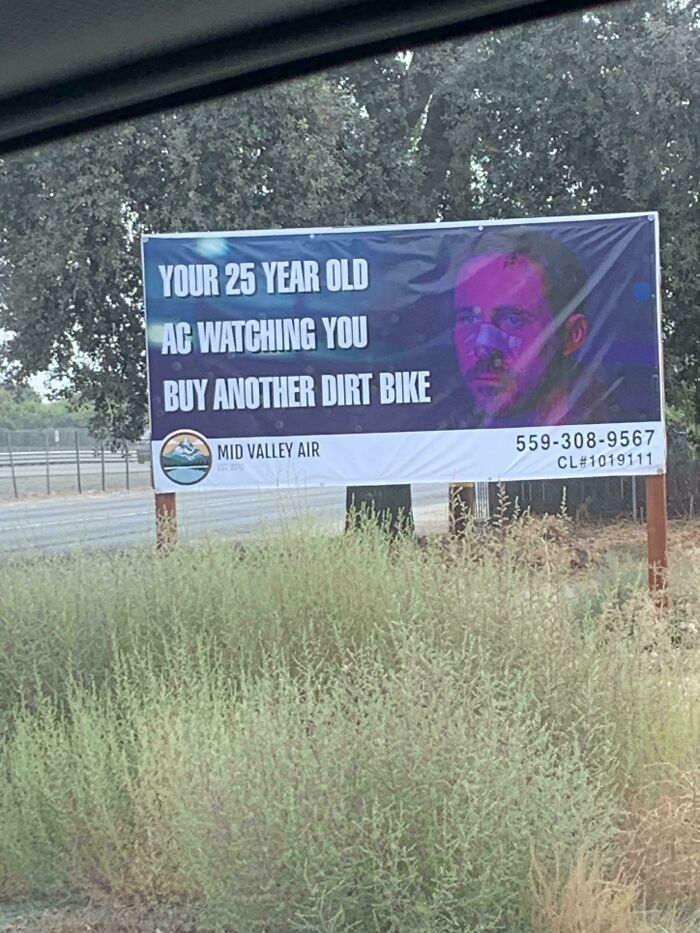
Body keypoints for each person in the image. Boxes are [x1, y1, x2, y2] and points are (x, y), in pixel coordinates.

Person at [453, 227, 605, 427]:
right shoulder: (438, 432)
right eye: (469, 319)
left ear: (572, 335)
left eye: (512, 321)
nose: (483, 347)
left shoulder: (617, 428)